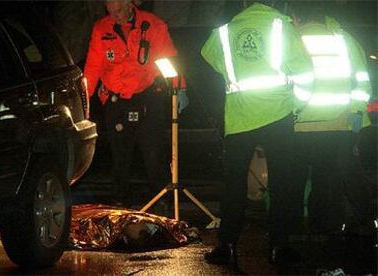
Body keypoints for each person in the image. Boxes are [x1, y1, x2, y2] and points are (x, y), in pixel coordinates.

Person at [201, 0, 313, 269]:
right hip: (278, 115)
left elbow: (208, 56)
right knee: (281, 184)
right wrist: (295, 106)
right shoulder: (281, 26)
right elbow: (306, 73)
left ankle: (227, 246)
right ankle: (278, 247)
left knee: (234, 185)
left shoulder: (225, 31)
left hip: (239, 120)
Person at [84, 0, 188, 207]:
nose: (115, 15)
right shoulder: (101, 28)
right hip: (116, 99)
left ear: (131, 4)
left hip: (147, 97)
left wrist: (180, 88)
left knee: (153, 152)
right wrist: (83, 99)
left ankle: (161, 201)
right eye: (111, 11)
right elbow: (93, 67)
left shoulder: (152, 25)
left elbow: (168, 57)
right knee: (120, 155)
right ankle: (119, 202)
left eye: (119, 9)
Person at [289, 3, 373, 235]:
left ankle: (294, 230)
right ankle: (334, 226)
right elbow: (362, 82)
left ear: (296, 17)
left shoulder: (291, 39)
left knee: (295, 179)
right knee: (330, 177)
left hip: (300, 124)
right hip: (340, 123)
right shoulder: (344, 40)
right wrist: (356, 116)